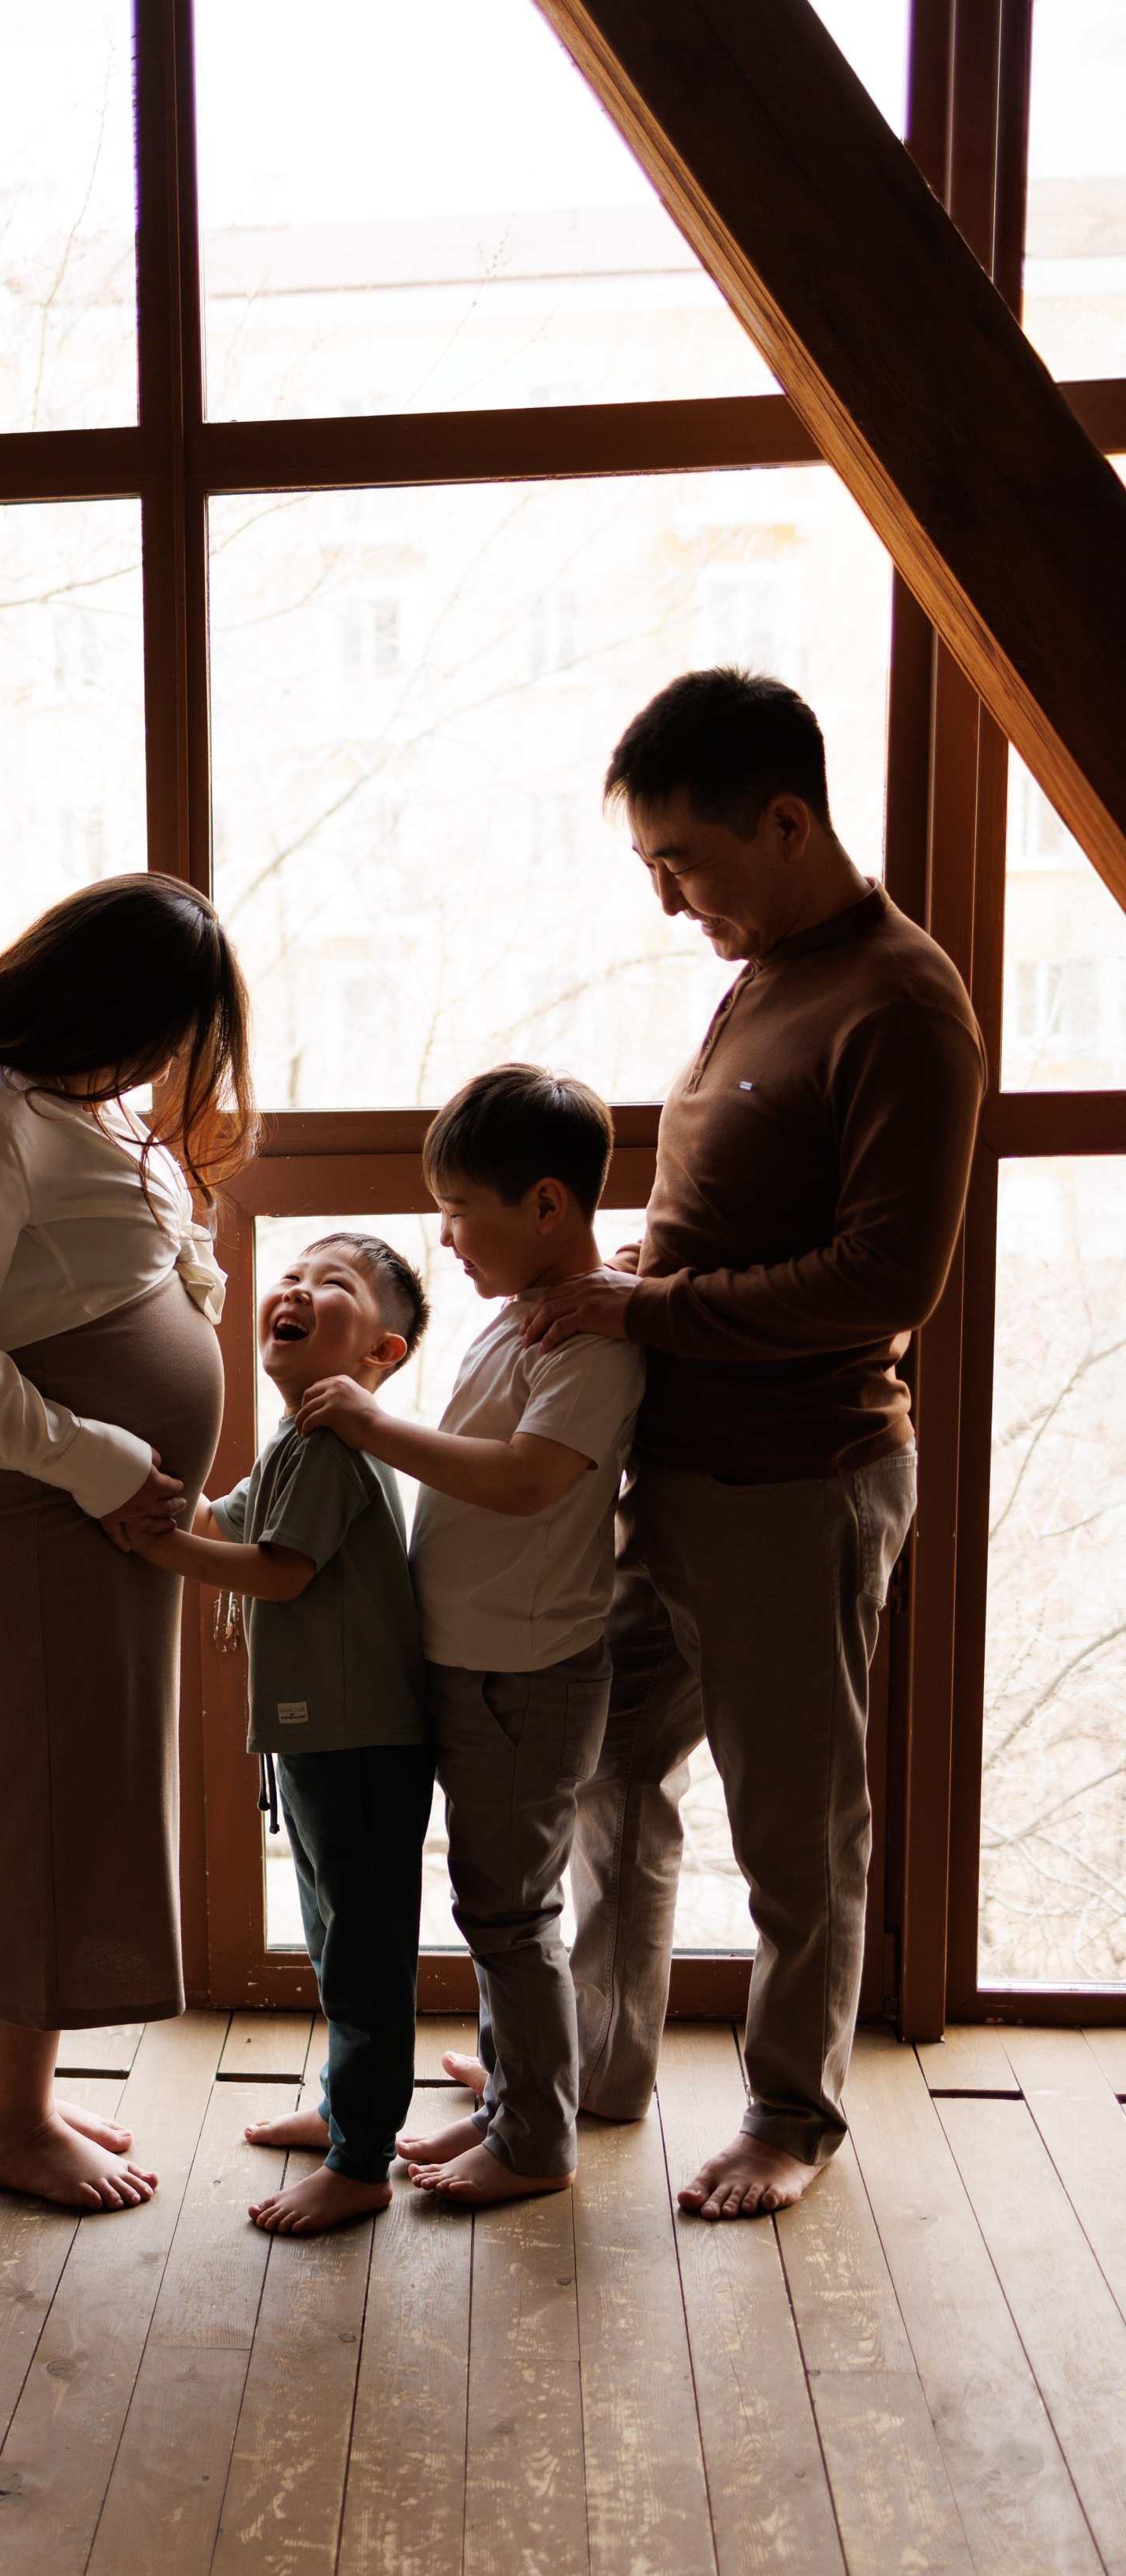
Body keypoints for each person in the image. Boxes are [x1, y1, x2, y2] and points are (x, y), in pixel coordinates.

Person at [523, 668, 985, 2220]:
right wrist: (632, 1282)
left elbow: (879, 1283)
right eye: (648, 868)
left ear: (784, 822)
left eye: (682, 863)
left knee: (795, 1822)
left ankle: (788, 2113)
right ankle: (598, 2057)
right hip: (684, 1472)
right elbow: (722, 1212)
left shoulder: (899, 1001)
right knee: (595, 1757)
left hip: (798, 1479)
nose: (667, 901)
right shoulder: (760, 967)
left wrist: (647, 1314)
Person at [0, 874, 251, 2211]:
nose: (162, 1062)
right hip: (24, 1514)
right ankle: (14, 2124)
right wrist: (98, 1463)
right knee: (35, 1807)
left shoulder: (69, 1109)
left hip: (70, 1519)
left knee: (14, 1802)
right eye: (159, 1028)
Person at [298, 1069, 643, 2209]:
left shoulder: (585, 1342)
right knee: (493, 1901)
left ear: (548, 1206)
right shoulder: (527, 1315)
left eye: (460, 1210)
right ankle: (508, 2094)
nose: (443, 1237)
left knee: (509, 1911)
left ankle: (539, 2138)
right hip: (478, 1662)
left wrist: (371, 1419)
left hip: (526, 1674)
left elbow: (529, 1478)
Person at [137, 1232, 435, 2235]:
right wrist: (153, 1501)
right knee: (332, 1931)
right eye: (294, 1277)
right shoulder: (295, 1438)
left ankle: (361, 2161)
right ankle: (346, 2111)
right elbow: (232, 1518)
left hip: (357, 1737)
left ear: (381, 1354)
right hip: (321, 1735)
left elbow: (279, 1570)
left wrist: (160, 1548)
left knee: (360, 1947)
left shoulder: (333, 1442)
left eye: (334, 1285)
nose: (297, 1290)